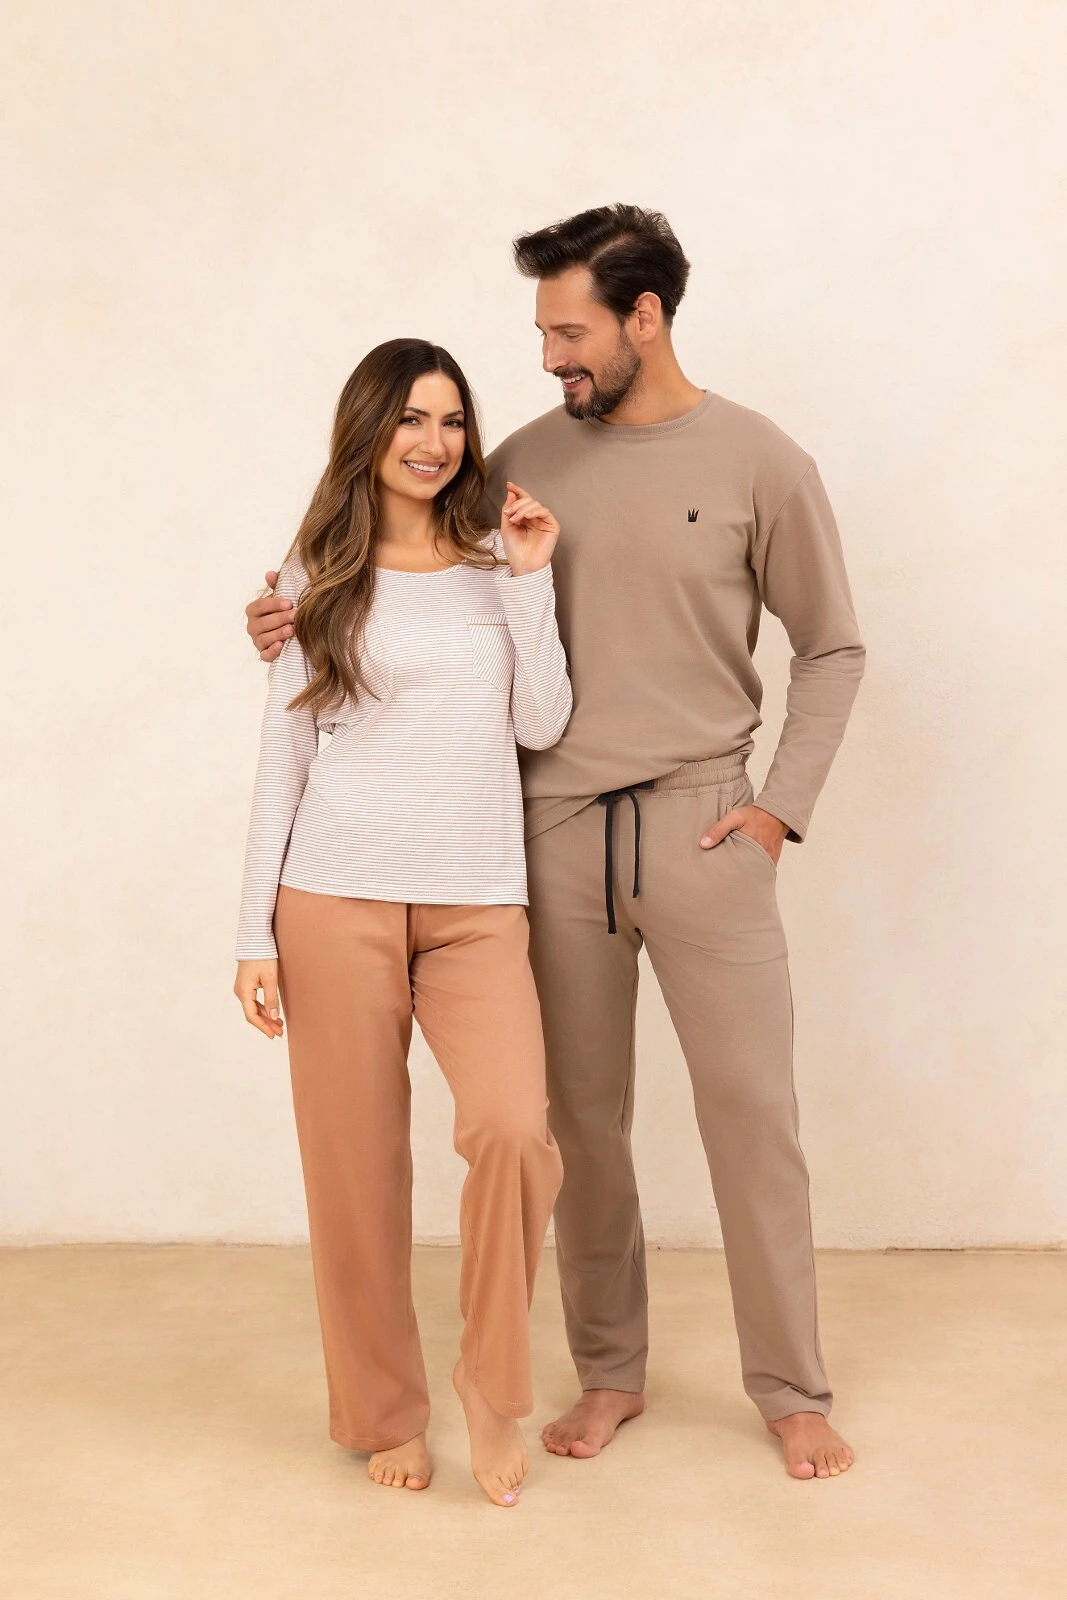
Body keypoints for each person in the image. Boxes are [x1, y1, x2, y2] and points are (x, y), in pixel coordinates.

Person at [247, 206, 866, 1482]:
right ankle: (608, 1372)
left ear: (644, 317)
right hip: (546, 841)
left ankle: (790, 1390)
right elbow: (389, 575)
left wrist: (776, 807)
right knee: (575, 1127)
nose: (546, 358)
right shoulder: (517, 465)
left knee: (751, 1115)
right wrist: (281, 616)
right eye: (539, 333)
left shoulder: (761, 461)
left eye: (569, 332)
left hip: (705, 826)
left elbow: (831, 645)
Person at [234, 338, 571, 1507]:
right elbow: (282, 754)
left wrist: (528, 578)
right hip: (333, 897)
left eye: (452, 420)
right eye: (411, 419)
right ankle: (383, 1410)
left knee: (514, 1129)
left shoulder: (495, 561)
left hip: (476, 898)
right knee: (355, 1170)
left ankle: (490, 1379)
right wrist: (251, 933)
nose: (434, 442)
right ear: (369, 430)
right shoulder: (310, 576)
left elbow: (540, 722)